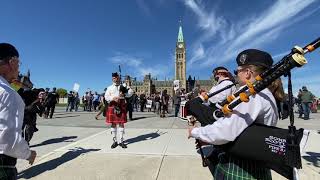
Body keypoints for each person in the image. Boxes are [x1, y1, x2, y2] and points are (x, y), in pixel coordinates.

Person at [188, 49, 281, 179]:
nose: (235, 75)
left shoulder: (252, 95)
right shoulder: (265, 93)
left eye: (237, 71)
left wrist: (196, 132)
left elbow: (225, 131)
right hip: (256, 165)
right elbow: (242, 130)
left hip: (241, 168)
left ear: (248, 73)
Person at [0, 43, 36, 179]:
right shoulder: (8, 93)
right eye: (18, 64)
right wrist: (28, 153)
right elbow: (9, 140)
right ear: (12, 62)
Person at [105, 72, 131, 149]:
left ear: (119, 78)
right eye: (114, 78)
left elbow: (131, 93)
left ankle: (121, 141)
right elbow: (106, 96)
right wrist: (112, 98)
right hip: (113, 106)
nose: (115, 79)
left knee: (121, 123)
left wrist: (124, 94)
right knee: (113, 124)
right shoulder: (109, 88)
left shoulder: (124, 85)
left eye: (116, 78)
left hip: (121, 106)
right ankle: (115, 141)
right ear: (112, 79)